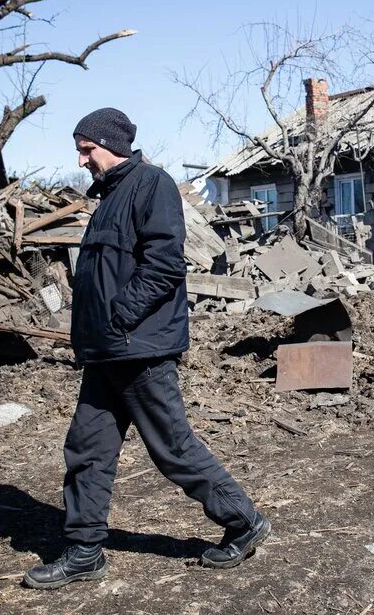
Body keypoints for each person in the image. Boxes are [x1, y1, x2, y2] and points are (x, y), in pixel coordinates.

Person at [23, 108, 270, 590]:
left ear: (111, 144)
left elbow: (163, 265)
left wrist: (119, 318)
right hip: (106, 352)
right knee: (87, 449)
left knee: (172, 447)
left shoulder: (150, 184)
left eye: (86, 148)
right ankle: (84, 549)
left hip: (138, 348)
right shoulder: (108, 199)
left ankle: (243, 521)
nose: (81, 159)